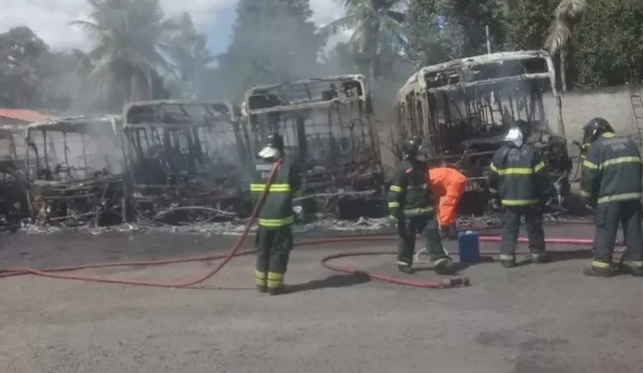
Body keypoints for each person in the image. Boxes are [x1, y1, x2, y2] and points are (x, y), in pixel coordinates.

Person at [580, 117, 643, 277]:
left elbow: (590, 177)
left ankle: (601, 265)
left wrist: (589, 199)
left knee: (605, 229)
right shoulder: (629, 143)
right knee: (634, 230)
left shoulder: (596, 147)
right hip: (633, 196)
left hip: (610, 196)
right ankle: (638, 264)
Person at [387, 137, 455, 275]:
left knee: (433, 236)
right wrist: (393, 212)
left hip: (426, 210)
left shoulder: (422, 167)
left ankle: (439, 261)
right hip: (408, 213)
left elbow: (427, 187)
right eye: (420, 149)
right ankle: (404, 262)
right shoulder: (402, 169)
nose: (423, 152)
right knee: (406, 238)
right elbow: (395, 192)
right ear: (412, 151)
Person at [487, 126, 550, 268]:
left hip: (509, 200)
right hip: (531, 199)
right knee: (534, 227)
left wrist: (495, 197)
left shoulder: (499, 154)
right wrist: (546, 194)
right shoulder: (532, 152)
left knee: (510, 228)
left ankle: (507, 258)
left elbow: (491, 180)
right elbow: (542, 177)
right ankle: (537, 254)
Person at [250, 133, 301, 295]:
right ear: (280, 147)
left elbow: (249, 192)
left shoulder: (256, 165)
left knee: (263, 249)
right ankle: (274, 286)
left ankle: (261, 285)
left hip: (263, 218)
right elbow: (297, 188)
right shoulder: (286, 165)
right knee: (279, 250)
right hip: (281, 218)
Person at [427, 160, 468, 240]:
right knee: (448, 207)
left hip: (454, 181)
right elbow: (436, 199)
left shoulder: (425, 179)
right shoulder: (429, 175)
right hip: (455, 179)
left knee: (446, 206)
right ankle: (451, 230)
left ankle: (444, 232)